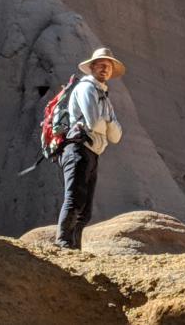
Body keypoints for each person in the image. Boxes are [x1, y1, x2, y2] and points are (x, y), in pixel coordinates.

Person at [55, 47, 125, 249]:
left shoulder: (104, 96)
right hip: (78, 148)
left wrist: (108, 123)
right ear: (92, 67)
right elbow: (95, 124)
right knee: (74, 199)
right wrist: (109, 123)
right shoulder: (86, 88)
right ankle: (63, 243)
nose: (105, 69)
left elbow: (116, 136)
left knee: (85, 209)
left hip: (92, 153)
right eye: (101, 65)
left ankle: (74, 246)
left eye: (109, 67)